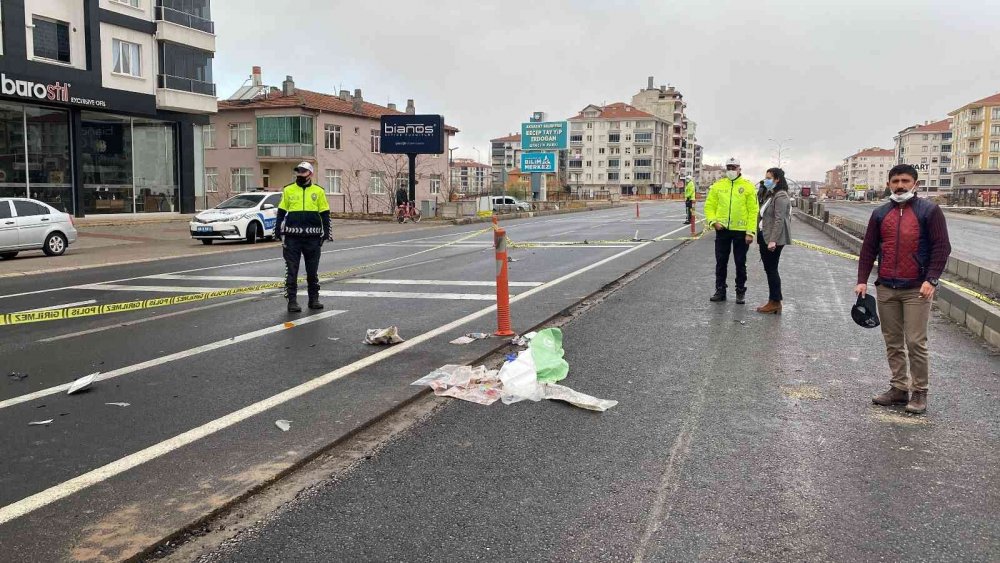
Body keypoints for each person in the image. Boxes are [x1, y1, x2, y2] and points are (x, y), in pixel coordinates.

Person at [855, 164, 951, 414]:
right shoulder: (879, 213)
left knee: (916, 341)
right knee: (893, 341)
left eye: (905, 181)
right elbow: (868, 249)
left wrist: (931, 279)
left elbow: (942, 248)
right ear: (888, 184)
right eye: (895, 181)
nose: (900, 185)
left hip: (917, 289)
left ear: (915, 184)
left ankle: (920, 391)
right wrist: (862, 279)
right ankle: (899, 388)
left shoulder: (929, 211)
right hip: (886, 286)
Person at [274, 162, 333, 313]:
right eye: (298, 171)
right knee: (292, 270)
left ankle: (314, 299)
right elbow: (281, 211)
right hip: (292, 238)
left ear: (310, 174)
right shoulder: (288, 190)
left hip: (313, 238)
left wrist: (326, 232)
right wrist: (277, 230)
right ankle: (292, 301)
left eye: (303, 171)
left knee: (312, 271)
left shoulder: (318, 191)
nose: (300, 174)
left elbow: (325, 213)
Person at [704, 157, 758, 304]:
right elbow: (709, 206)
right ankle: (720, 290)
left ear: (740, 169)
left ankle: (740, 291)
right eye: (728, 167)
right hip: (723, 230)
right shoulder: (718, 186)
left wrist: (750, 232)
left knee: (740, 262)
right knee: (721, 262)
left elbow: (753, 211)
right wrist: (713, 222)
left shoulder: (748, 186)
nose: (731, 170)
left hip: (741, 231)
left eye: (734, 167)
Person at [755, 168, 792, 314]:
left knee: (772, 269)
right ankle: (773, 300)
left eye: (769, 178)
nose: (766, 180)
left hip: (772, 239)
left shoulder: (781, 195)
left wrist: (773, 241)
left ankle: (775, 301)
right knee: (770, 269)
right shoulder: (771, 195)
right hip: (765, 235)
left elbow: (779, 219)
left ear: (777, 179)